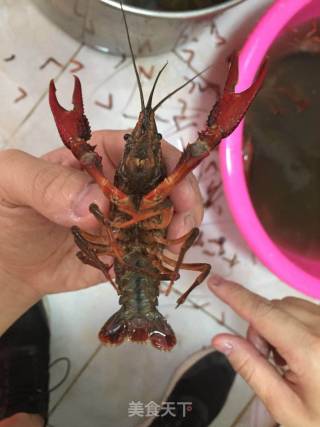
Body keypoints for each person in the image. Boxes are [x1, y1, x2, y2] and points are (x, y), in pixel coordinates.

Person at [0, 130, 319, 427]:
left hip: (119, 258)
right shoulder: (153, 191)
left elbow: (92, 233)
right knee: (185, 229)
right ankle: (182, 418)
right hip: (145, 262)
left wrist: (10, 275)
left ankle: (21, 410)